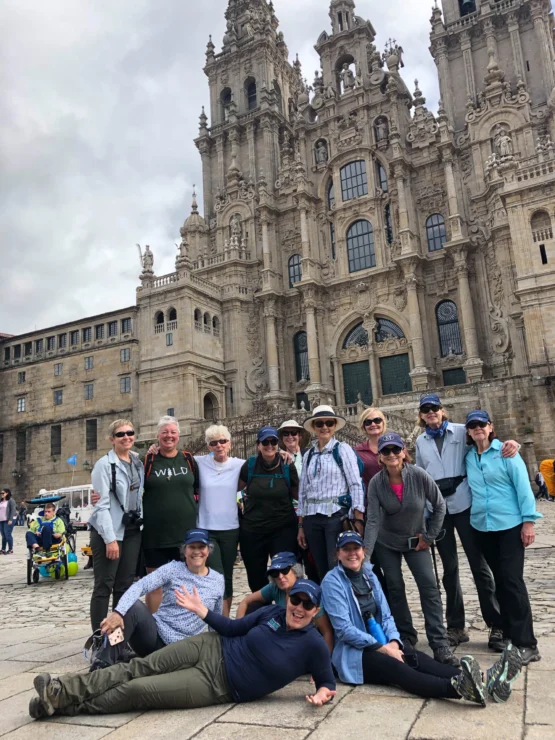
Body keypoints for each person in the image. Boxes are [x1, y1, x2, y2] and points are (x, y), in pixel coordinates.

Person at [29, 579, 336, 719]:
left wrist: (322, 693)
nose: (298, 607)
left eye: (307, 605)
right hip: (211, 646)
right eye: (296, 600)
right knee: (138, 666)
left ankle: (65, 706)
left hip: (218, 684)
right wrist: (203, 611)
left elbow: (327, 681)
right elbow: (231, 628)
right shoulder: (271, 613)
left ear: (316, 610)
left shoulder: (312, 645)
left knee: (138, 690)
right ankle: (61, 690)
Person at [321, 531, 522, 705]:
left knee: (417, 658)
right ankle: (458, 688)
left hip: (381, 640)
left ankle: (488, 678)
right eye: (346, 549)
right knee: (397, 668)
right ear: (338, 554)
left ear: (363, 551)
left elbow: (387, 615)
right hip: (354, 652)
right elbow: (344, 630)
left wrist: (393, 642)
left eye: (356, 548)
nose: (352, 554)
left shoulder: (369, 575)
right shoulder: (332, 582)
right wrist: (385, 649)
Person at [415, 393, 518, 650]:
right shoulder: (420, 441)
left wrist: (513, 444)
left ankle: (497, 624)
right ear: (421, 414)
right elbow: (420, 476)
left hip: (464, 505)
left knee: (479, 565)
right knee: (450, 569)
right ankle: (456, 626)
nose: (431, 412)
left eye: (434, 408)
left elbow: (487, 443)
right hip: (438, 509)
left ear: (442, 410)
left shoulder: (462, 432)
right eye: (426, 409)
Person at [364, 432, 458, 665]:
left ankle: (439, 642)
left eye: (396, 450)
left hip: (416, 543)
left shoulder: (418, 475)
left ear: (404, 452)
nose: (392, 454)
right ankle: (405, 635)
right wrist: (366, 554)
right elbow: (373, 519)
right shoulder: (376, 483)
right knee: (395, 588)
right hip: (387, 543)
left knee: (429, 587)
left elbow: (439, 506)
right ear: (380, 457)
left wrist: (429, 536)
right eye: (386, 451)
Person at [465, 410, 543, 666]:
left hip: (510, 524)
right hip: (482, 527)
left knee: (512, 580)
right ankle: (510, 635)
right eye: (472, 425)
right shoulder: (468, 458)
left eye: (482, 424)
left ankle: (527, 643)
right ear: (468, 431)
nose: (477, 428)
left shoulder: (507, 453)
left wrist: (528, 522)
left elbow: (523, 487)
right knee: (500, 581)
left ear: (490, 427)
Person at [99, 529, 223, 657]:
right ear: (184, 551)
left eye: (201, 547)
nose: (197, 551)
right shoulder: (173, 569)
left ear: (208, 550)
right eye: (192, 547)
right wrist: (118, 612)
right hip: (155, 636)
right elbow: (141, 585)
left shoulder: (218, 581)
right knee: (131, 607)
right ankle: (105, 659)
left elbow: (215, 622)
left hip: (185, 648)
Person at [297, 405, 365, 581]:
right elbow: (303, 491)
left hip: (335, 516)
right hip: (312, 518)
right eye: (319, 423)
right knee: (320, 567)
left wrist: (358, 518)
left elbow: (355, 484)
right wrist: (301, 525)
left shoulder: (342, 449)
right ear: (314, 427)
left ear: (334, 426)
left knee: (336, 564)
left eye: (328, 423)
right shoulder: (308, 455)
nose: (324, 427)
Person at [89, 419, 144, 632]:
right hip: (109, 532)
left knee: (124, 587)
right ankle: (99, 638)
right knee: (104, 585)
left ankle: (117, 638)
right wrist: (110, 539)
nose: (126, 437)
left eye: (130, 432)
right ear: (112, 439)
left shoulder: (137, 462)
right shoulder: (103, 465)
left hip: (132, 532)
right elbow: (101, 507)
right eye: (120, 434)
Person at [142, 416, 199, 613]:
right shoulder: (148, 460)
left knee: (185, 583)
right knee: (155, 585)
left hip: (185, 535)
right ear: (157, 435)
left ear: (179, 435)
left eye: (173, 432)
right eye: (164, 432)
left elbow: (198, 489)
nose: (169, 436)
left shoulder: (189, 459)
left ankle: (184, 628)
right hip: (155, 534)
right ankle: (154, 632)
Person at [237, 426, 299, 592]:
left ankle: (285, 611)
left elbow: (299, 495)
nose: (269, 445)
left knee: (284, 574)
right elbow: (231, 488)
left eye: (273, 441)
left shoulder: (287, 465)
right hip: (253, 531)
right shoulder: (249, 466)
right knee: (256, 578)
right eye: (265, 442)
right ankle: (262, 613)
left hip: (282, 529)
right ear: (258, 444)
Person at [236, 551, 334, 652]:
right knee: (253, 609)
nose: (280, 576)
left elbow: (327, 632)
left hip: (304, 644)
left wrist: (324, 660)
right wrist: (238, 629)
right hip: (281, 639)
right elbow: (246, 602)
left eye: (285, 570)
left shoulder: (310, 593)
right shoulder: (275, 588)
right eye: (275, 573)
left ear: (295, 570)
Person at [195, 424, 244, 617]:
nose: (219, 445)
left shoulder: (240, 465)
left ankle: (223, 618)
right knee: (216, 573)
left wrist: (286, 453)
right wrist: (153, 448)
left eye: (223, 441)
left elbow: (265, 462)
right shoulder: (199, 462)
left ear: (229, 443)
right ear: (208, 446)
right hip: (207, 529)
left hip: (230, 528)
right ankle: (213, 616)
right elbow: (175, 457)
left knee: (228, 576)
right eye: (214, 443)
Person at [277, 419, 319, 582]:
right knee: (292, 560)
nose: (290, 437)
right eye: (285, 434)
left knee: (312, 558)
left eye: (293, 433)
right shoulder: (277, 458)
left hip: (309, 513)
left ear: (300, 436)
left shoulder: (310, 455)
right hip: (287, 515)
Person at [353, 407, 390, 594]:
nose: (373, 424)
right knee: (373, 564)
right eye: (368, 422)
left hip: (394, 513)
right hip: (371, 514)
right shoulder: (357, 452)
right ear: (363, 427)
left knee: (393, 569)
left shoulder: (395, 446)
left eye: (377, 420)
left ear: (383, 423)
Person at [0, 488, 17, 554]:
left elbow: (13, 510)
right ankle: (3, 549)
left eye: (3, 493)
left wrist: (10, 519)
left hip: (8, 520)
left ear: (7, 493)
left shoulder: (11, 501)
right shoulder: (1, 501)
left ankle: (10, 549)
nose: (2, 494)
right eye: (1, 493)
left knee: (8, 534)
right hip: (1, 520)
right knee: (3, 535)